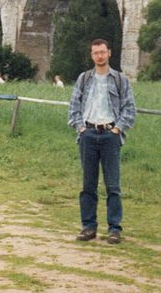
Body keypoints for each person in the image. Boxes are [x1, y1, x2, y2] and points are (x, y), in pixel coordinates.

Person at [68, 38, 136, 244]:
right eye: (96, 52)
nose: (99, 56)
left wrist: (117, 129)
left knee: (113, 185)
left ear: (109, 53)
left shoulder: (120, 80)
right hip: (88, 133)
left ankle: (114, 229)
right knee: (88, 184)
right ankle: (89, 227)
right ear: (92, 55)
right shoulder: (84, 78)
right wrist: (80, 128)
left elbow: (130, 109)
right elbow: (73, 106)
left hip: (109, 135)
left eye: (102, 52)